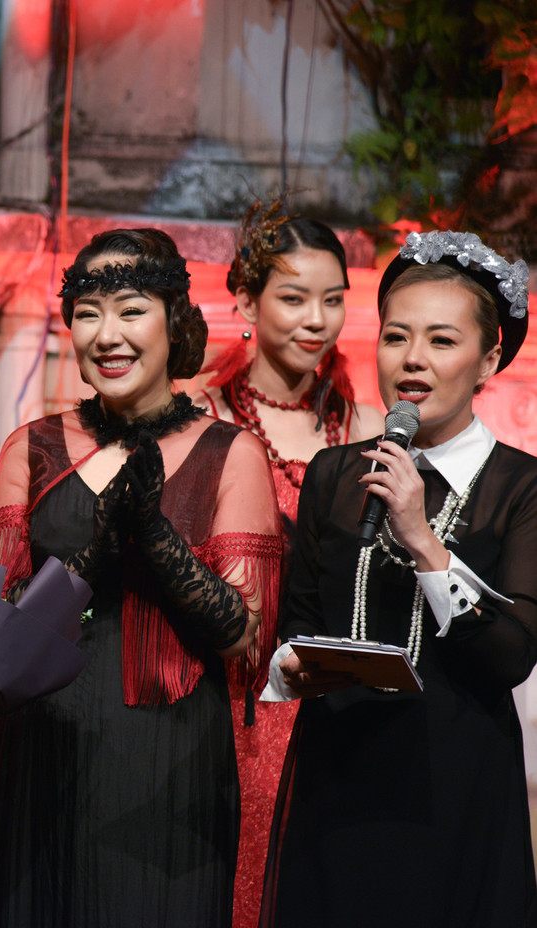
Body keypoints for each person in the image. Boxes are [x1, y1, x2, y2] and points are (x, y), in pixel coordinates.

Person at [0, 229, 283, 927]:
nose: (107, 335)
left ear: (175, 323)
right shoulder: (32, 448)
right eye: (88, 313)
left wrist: (154, 535)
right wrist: (90, 558)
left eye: (131, 310)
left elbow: (245, 639)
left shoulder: (230, 453)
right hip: (38, 754)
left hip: (166, 769)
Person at [260, 230, 537, 927]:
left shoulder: (521, 485)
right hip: (338, 776)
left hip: (456, 784)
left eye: (442, 341)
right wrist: (291, 663)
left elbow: (513, 655)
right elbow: (299, 619)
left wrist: (421, 539)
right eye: (395, 337)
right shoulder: (334, 473)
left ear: (489, 359)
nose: (413, 359)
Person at [190, 202, 382, 928]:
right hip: (223, 705)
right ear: (246, 302)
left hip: (330, 706)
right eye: (295, 298)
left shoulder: (366, 427)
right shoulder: (201, 418)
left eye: (333, 300)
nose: (318, 320)